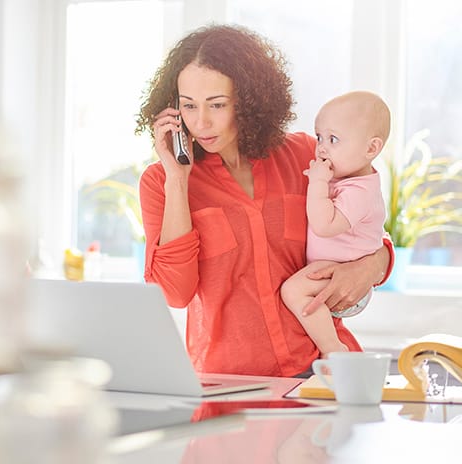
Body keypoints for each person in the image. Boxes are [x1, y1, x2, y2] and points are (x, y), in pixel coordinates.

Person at [136, 24, 393, 377]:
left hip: (323, 370)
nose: (201, 122)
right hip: (230, 382)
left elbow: (364, 218)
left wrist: (372, 265)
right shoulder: (160, 183)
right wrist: (178, 182)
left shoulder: (306, 155)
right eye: (189, 107)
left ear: (248, 100)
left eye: (218, 104)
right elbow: (174, 293)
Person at [280, 91, 391, 359]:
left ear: (371, 149)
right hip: (333, 271)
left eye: (333, 139)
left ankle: (333, 349)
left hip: (342, 276)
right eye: (319, 137)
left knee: (293, 290)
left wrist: (317, 183)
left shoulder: (359, 191)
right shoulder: (346, 179)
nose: (321, 148)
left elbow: (324, 225)